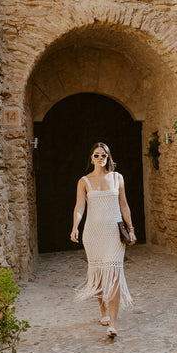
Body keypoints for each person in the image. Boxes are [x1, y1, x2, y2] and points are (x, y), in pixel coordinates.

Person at [70, 142, 136, 338]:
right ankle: (103, 311)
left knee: (114, 274)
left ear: (108, 157)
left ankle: (113, 324)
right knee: (98, 274)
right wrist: (75, 227)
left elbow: (124, 205)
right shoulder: (84, 181)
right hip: (93, 233)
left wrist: (131, 229)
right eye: (96, 155)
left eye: (104, 155)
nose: (100, 158)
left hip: (114, 234)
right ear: (91, 158)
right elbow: (79, 206)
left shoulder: (118, 178)